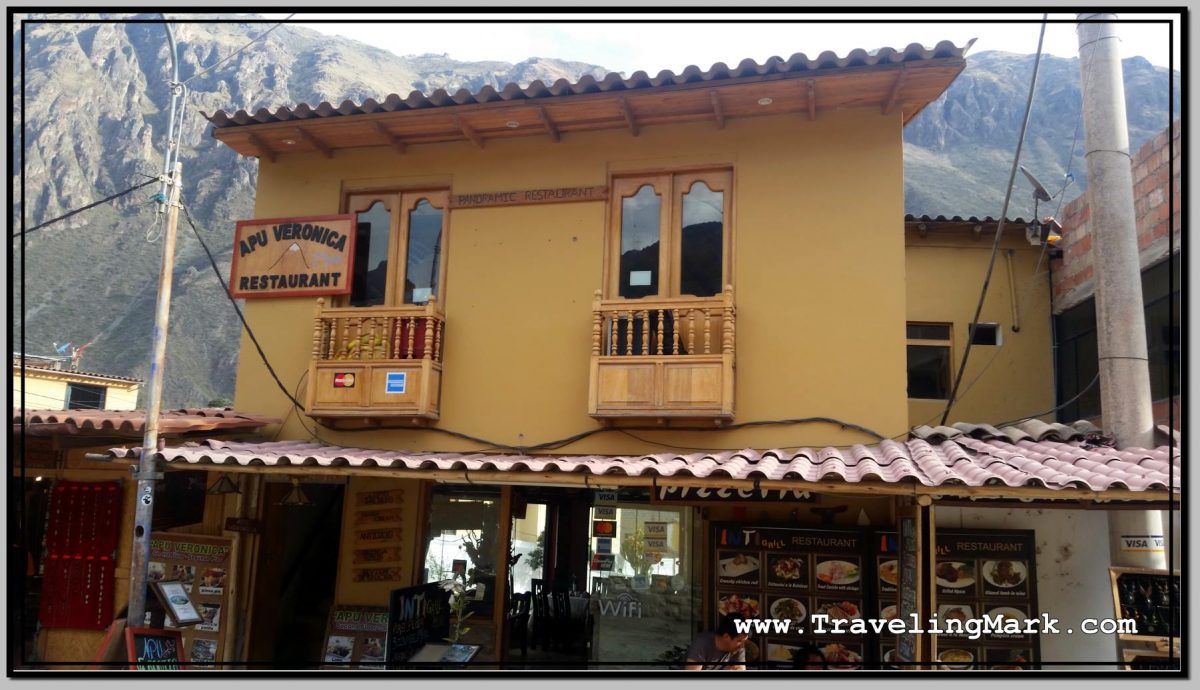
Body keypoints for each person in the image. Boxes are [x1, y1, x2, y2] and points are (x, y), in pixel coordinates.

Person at [684, 615, 749, 670]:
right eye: (739, 641)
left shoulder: (738, 648)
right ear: (726, 636)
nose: (742, 646)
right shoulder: (701, 644)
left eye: (744, 641)